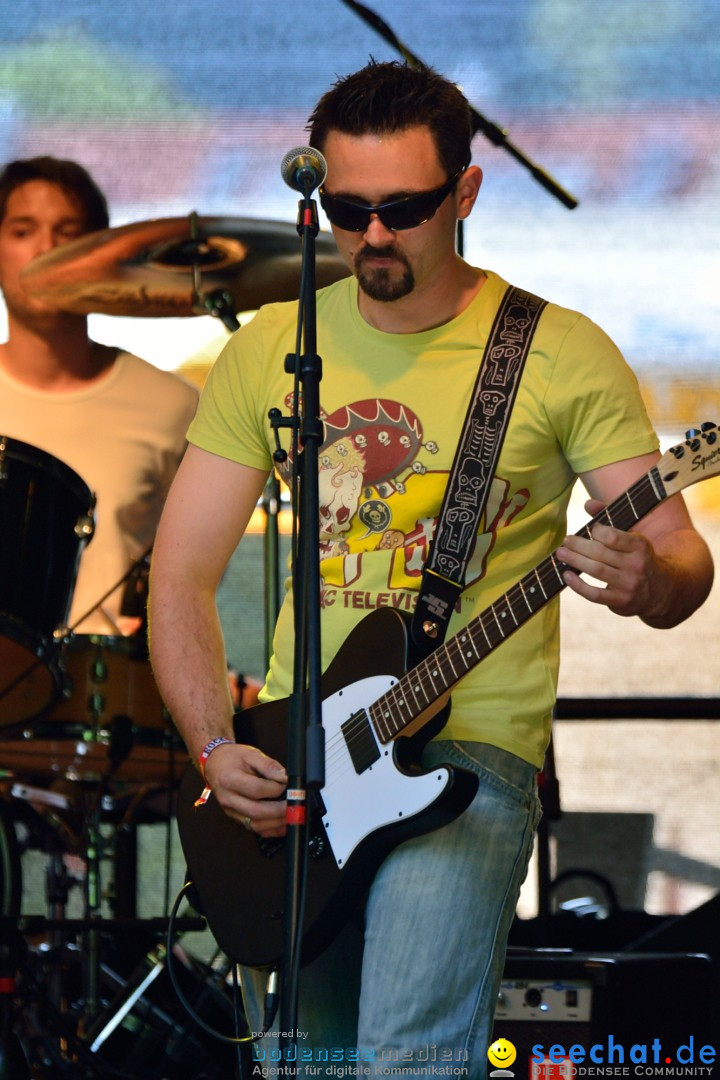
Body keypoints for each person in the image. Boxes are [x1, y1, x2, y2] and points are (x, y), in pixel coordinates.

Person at [148, 62, 713, 1075]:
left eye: (403, 209)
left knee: (409, 1058)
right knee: (305, 1065)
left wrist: (649, 580)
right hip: (298, 759)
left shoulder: (556, 353)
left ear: (465, 192)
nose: (372, 237)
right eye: (350, 210)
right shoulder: (273, 350)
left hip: (473, 754)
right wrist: (208, 748)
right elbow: (181, 573)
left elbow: (677, 554)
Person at [0, 155, 199, 643]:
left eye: (68, 234)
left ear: (99, 254)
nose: (46, 249)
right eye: (23, 231)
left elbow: (195, 576)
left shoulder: (173, 406)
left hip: (113, 703)